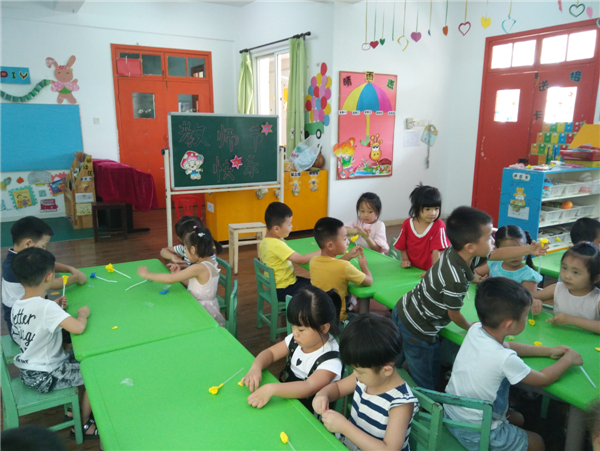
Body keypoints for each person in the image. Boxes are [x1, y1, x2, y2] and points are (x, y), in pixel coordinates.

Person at [392, 206, 548, 390]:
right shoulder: (455, 278)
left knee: (394, 359)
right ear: (471, 247)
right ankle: (422, 403)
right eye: (489, 237)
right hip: (418, 328)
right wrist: (470, 326)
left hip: (404, 308)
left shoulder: (457, 252)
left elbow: (496, 254)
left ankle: (389, 379)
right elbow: (454, 314)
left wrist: (529, 249)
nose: (493, 241)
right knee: (427, 378)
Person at [445, 277, 583, 451]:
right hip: (477, 432)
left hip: (451, 414)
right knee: (538, 442)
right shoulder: (505, 359)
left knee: (518, 419)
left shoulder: (476, 329)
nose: (526, 318)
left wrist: (548, 350)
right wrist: (568, 359)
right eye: (525, 316)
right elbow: (543, 379)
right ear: (509, 325)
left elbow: (508, 346)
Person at [10, 248, 98, 439]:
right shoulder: (46, 307)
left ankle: (73, 411)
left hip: (29, 370)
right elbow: (78, 328)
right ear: (49, 276)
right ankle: (83, 424)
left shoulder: (18, 304)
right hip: (47, 375)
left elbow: (26, 331)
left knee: (82, 356)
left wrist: (56, 309)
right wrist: (82, 314)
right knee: (95, 372)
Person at [313, 314, 419, 451]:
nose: (355, 374)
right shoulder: (365, 377)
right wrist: (323, 395)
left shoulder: (400, 403)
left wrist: (344, 427)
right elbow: (338, 389)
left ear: (386, 370)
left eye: (359, 371)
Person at [241, 286, 343, 412]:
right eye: (292, 326)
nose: (294, 333)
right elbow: (271, 353)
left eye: (301, 329)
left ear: (323, 328)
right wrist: (256, 367)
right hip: (288, 402)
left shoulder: (331, 360)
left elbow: (308, 387)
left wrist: (271, 389)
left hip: (309, 415)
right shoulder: (298, 339)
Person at [2, 216, 86, 339]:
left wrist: (69, 269)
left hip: (25, 317)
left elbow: (46, 265)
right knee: (69, 330)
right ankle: (66, 350)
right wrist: (77, 278)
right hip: (24, 330)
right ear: (28, 243)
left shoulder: (16, 259)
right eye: (43, 246)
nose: (45, 250)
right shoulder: (14, 268)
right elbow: (53, 283)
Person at [139, 225, 225, 327]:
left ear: (192, 249)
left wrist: (147, 274)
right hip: (209, 308)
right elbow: (198, 285)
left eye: (185, 249)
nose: (185, 253)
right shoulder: (210, 262)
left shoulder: (198, 268)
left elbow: (170, 279)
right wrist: (178, 275)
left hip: (202, 312)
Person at [310, 217, 372, 320]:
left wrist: (348, 256)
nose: (348, 242)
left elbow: (333, 265)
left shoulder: (313, 261)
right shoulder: (345, 267)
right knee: (365, 320)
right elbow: (369, 281)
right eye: (344, 239)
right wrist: (363, 265)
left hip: (319, 314)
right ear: (330, 245)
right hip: (338, 318)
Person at [259, 202, 320, 304]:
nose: (291, 226)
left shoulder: (265, 242)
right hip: (284, 289)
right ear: (276, 229)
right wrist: (321, 250)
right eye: (289, 224)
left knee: (315, 283)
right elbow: (302, 260)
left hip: (278, 285)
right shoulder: (277, 244)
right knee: (319, 289)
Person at [533, 242, 600, 334]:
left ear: (595, 278)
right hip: (557, 339)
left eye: (575, 272)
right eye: (564, 268)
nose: (567, 276)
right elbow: (525, 296)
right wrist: (533, 301)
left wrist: (572, 320)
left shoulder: (597, 299)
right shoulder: (557, 288)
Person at [475, 225, 543, 299]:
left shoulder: (528, 275)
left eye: (517, 251)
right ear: (497, 249)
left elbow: (528, 300)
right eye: (508, 251)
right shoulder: (494, 263)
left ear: (526, 248)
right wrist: (480, 280)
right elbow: (474, 273)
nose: (513, 256)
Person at [393, 184, 449, 271]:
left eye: (436, 209)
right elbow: (402, 245)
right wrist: (405, 260)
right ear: (417, 208)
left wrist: (433, 272)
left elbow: (436, 251)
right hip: (411, 269)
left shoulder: (438, 225)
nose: (433, 213)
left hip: (429, 270)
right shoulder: (407, 224)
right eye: (427, 209)